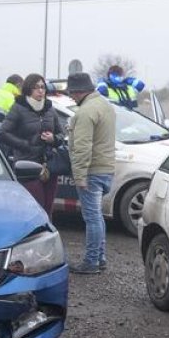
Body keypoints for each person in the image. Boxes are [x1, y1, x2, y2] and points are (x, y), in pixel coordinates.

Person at [66, 72, 117, 275]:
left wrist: (79, 175)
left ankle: (91, 261)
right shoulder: (106, 106)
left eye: (71, 93)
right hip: (106, 169)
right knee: (98, 216)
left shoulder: (86, 112)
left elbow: (83, 146)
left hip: (91, 171)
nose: (71, 97)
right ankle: (100, 258)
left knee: (92, 217)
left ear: (78, 92)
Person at [0, 73, 66, 217]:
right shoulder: (19, 108)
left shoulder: (49, 109)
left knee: (48, 209)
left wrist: (53, 139)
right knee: (35, 208)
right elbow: (2, 133)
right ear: (28, 89)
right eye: (36, 88)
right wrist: (26, 144)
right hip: (27, 165)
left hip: (49, 166)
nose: (41, 91)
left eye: (42, 87)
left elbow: (61, 134)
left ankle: (47, 236)